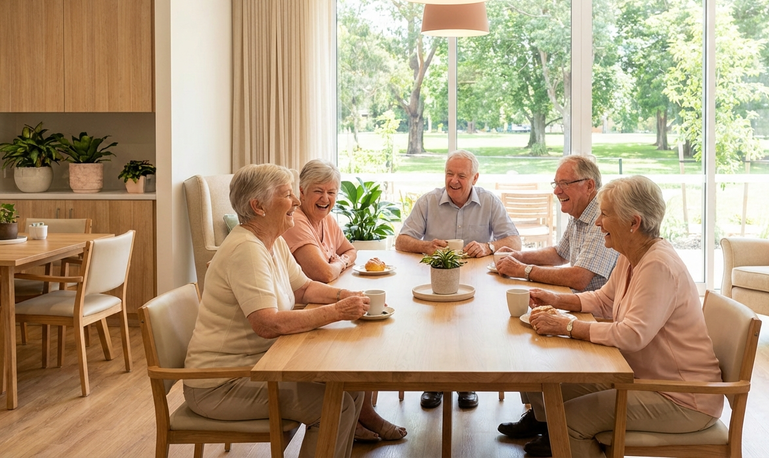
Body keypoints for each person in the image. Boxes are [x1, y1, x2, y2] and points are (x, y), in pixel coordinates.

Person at [498, 175, 723, 457]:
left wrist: (567, 326)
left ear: (634, 223)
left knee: (569, 419)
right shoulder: (632, 255)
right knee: (546, 382)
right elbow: (604, 299)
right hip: (640, 377)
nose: (597, 222)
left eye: (605, 214)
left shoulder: (658, 266)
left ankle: (566, 442)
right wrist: (556, 299)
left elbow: (631, 335)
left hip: (681, 398)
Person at [183, 163, 368, 458]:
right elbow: (267, 324)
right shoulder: (246, 250)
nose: (296, 201)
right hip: (221, 384)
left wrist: (345, 295)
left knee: (350, 388)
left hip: (258, 367)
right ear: (258, 206)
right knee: (336, 404)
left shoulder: (273, 241)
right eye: (287, 195)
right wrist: (338, 311)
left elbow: (305, 288)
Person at [282, 159, 407, 443]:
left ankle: (359, 418)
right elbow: (323, 272)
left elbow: (351, 251)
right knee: (356, 340)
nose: (325, 199)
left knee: (362, 333)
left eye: (331, 192)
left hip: (319, 299)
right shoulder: (297, 222)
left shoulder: (325, 219)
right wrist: (337, 265)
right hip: (302, 309)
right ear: (301, 192)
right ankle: (363, 417)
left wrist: (339, 261)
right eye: (318, 191)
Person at [396, 149, 522, 410]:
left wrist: (489, 247)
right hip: (435, 278)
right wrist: (426, 246)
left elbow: (514, 241)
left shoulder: (489, 201)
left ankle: (467, 382)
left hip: (477, 282)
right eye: (449, 174)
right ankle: (433, 382)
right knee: (434, 326)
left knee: (470, 327)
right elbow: (402, 240)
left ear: (474, 178)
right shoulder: (428, 201)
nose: (453, 180)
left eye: (461, 176)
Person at [494, 155, 618, 293]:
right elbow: (560, 254)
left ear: (589, 186)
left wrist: (523, 270)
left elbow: (580, 278)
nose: (556, 191)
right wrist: (519, 256)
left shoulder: (601, 218)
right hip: (580, 301)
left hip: (597, 311)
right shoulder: (580, 212)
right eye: (556, 184)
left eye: (564, 184)